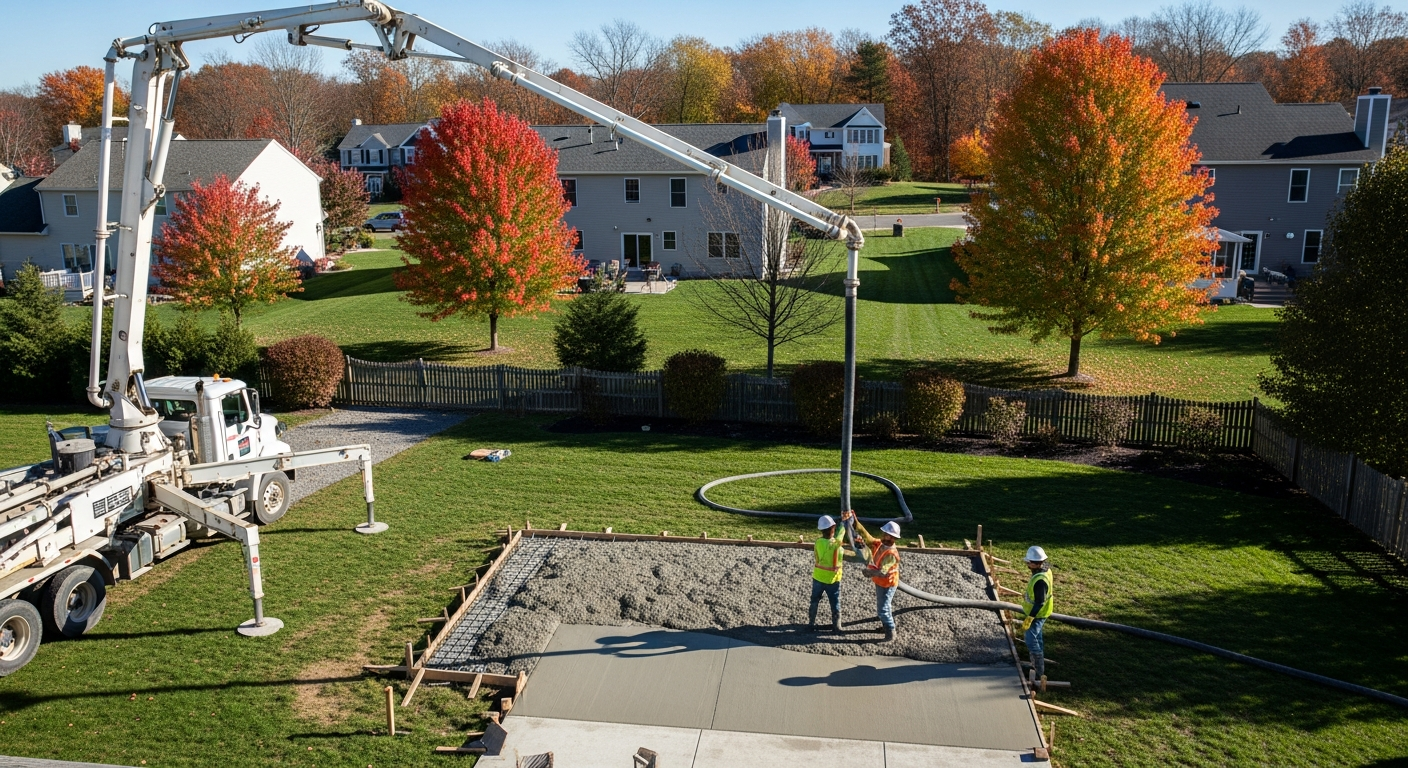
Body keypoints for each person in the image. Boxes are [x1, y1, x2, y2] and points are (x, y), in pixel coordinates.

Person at [843, 510, 901, 642]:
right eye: (885, 534)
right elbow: (867, 537)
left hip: (887, 583)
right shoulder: (880, 544)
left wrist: (868, 572)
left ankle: (890, 633)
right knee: (883, 606)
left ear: (894, 538)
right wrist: (856, 523)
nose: (886, 537)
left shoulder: (891, 554)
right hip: (881, 582)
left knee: (883, 609)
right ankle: (885, 626)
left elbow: (883, 571)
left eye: (889, 536)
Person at [1015, 545, 1054, 690]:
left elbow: (1039, 601)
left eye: (1029, 562)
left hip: (1037, 614)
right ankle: (1038, 665)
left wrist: (1030, 617)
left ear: (1036, 562)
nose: (1027, 564)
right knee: (1037, 638)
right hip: (1041, 612)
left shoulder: (1040, 580)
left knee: (1030, 639)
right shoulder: (1044, 570)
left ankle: (1038, 670)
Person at [809, 515, 852, 633]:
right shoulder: (835, 545)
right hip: (832, 580)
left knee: (814, 601)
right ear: (833, 527)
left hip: (817, 577)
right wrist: (844, 524)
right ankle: (836, 626)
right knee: (835, 603)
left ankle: (811, 624)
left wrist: (838, 526)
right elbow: (839, 538)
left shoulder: (818, 542)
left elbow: (835, 539)